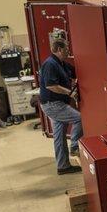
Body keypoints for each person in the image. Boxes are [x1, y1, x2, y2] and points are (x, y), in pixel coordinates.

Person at [39, 39, 83, 175]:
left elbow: (78, 73)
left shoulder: (62, 64)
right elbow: (51, 86)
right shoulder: (50, 64)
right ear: (59, 49)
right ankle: (75, 147)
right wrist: (70, 92)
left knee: (59, 137)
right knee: (80, 119)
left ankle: (63, 166)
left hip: (56, 104)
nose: (69, 51)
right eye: (66, 49)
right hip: (52, 105)